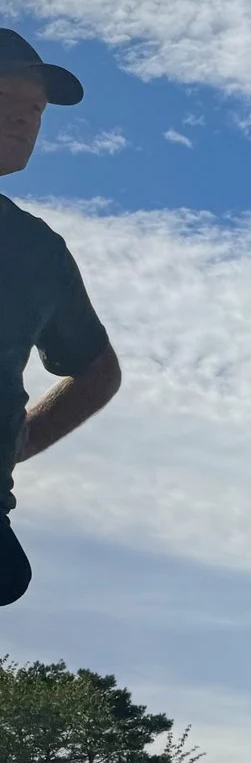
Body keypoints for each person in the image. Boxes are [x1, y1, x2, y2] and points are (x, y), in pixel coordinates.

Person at [0, 30, 121, 606]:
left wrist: (16, 441)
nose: (25, 121)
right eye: (6, 100)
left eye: (35, 110)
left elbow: (98, 372)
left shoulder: (35, 249)